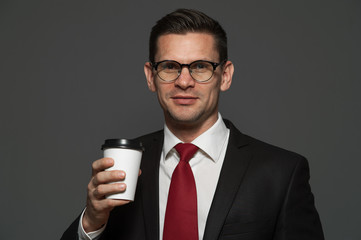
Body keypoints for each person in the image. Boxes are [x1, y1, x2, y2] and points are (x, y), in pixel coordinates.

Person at [61, 9, 324, 240]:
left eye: (200, 66)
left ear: (225, 75)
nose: (184, 81)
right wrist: (92, 223)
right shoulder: (126, 166)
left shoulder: (281, 173)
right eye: (169, 66)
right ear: (151, 77)